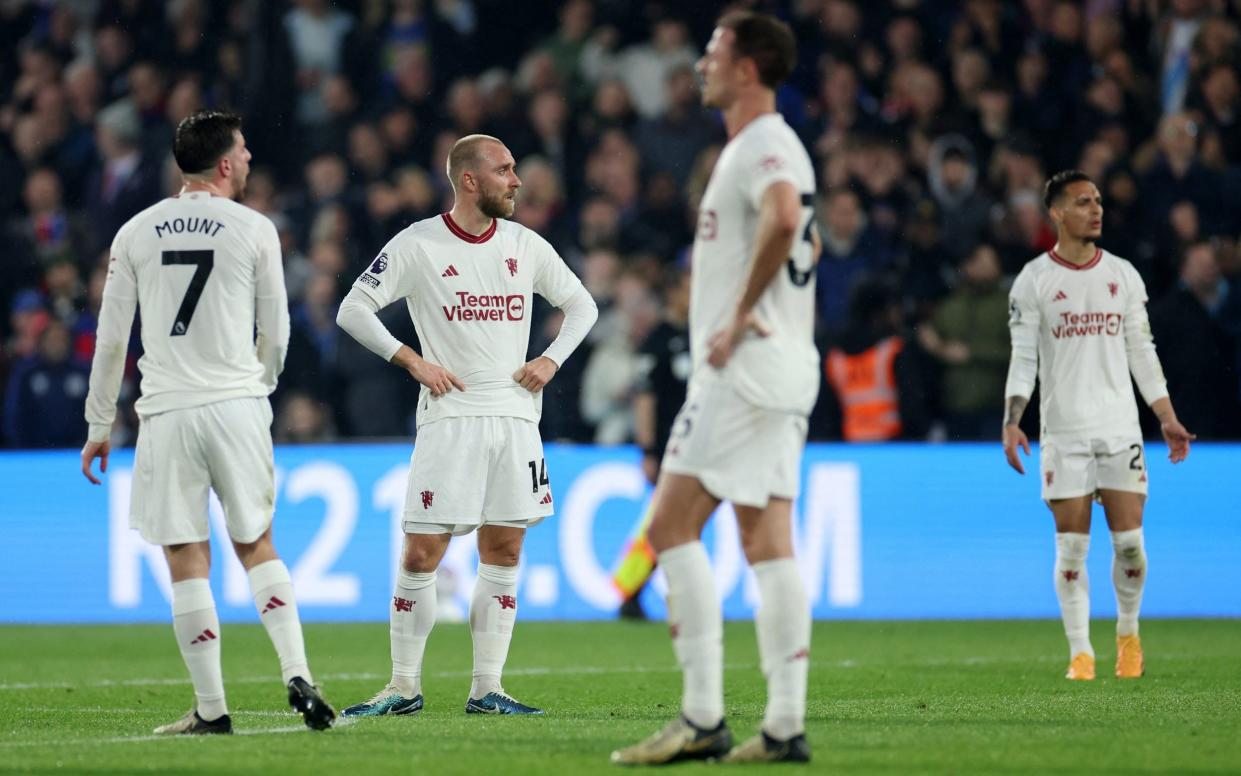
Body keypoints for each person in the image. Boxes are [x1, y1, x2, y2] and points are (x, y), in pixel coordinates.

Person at [80, 110, 335, 734]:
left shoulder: (135, 233)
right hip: (235, 404)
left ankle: (213, 709)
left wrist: (97, 423)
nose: (248, 159)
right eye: (243, 151)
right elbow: (276, 329)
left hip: (167, 411)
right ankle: (296, 669)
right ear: (224, 163)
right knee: (256, 542)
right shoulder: (254, 228)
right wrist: (258, 385)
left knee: (186, 555)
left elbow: (111, 341)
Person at [611, 12, 818, 765]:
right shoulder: (766, 145)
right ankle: (784, 726)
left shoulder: (763, 143)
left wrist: (736, 316)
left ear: (747, 68)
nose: (700, 64)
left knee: (668, 528)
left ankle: (701, 716)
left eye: (713, 53)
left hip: (743, 371)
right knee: (766, 541)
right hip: (785, 366)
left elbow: (785, 218)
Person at [335, 133, 597, 718]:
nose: (517, 180)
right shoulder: (418, 244)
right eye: (505, 170)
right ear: (470, 180)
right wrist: (411, 360)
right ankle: (402, 686)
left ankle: (487, 688)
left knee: (504, 549)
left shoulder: (526, 245)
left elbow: (584, 305)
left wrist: (551, 359)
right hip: (451, 418)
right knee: (422, 553)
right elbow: (351, 309)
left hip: (514, 419)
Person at [1002, 169, 1195, 682]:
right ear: (1058, 214)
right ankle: (1081, 653)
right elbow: (1024, 360)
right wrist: (1013, 419)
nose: (1096, 209)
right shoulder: (1034, 281)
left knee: (1130, 543)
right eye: (1084, 202)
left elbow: (1141, 350)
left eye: (1099, 201)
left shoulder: (1125, 275)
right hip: (1064, 432)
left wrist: (1167, 417)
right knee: (1071, 548)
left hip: (1118, 427)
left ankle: (1128, 636)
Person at [611, 268, 692, 620]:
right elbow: (645, 400)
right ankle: (637, 590)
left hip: (697, 446)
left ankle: (637, 591)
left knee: (674, 524)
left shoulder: (700, 335)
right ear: (674, 294)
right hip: (668, 450)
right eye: (690, 288)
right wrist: (647, 450)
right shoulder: (658, 341)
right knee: (668, 525)